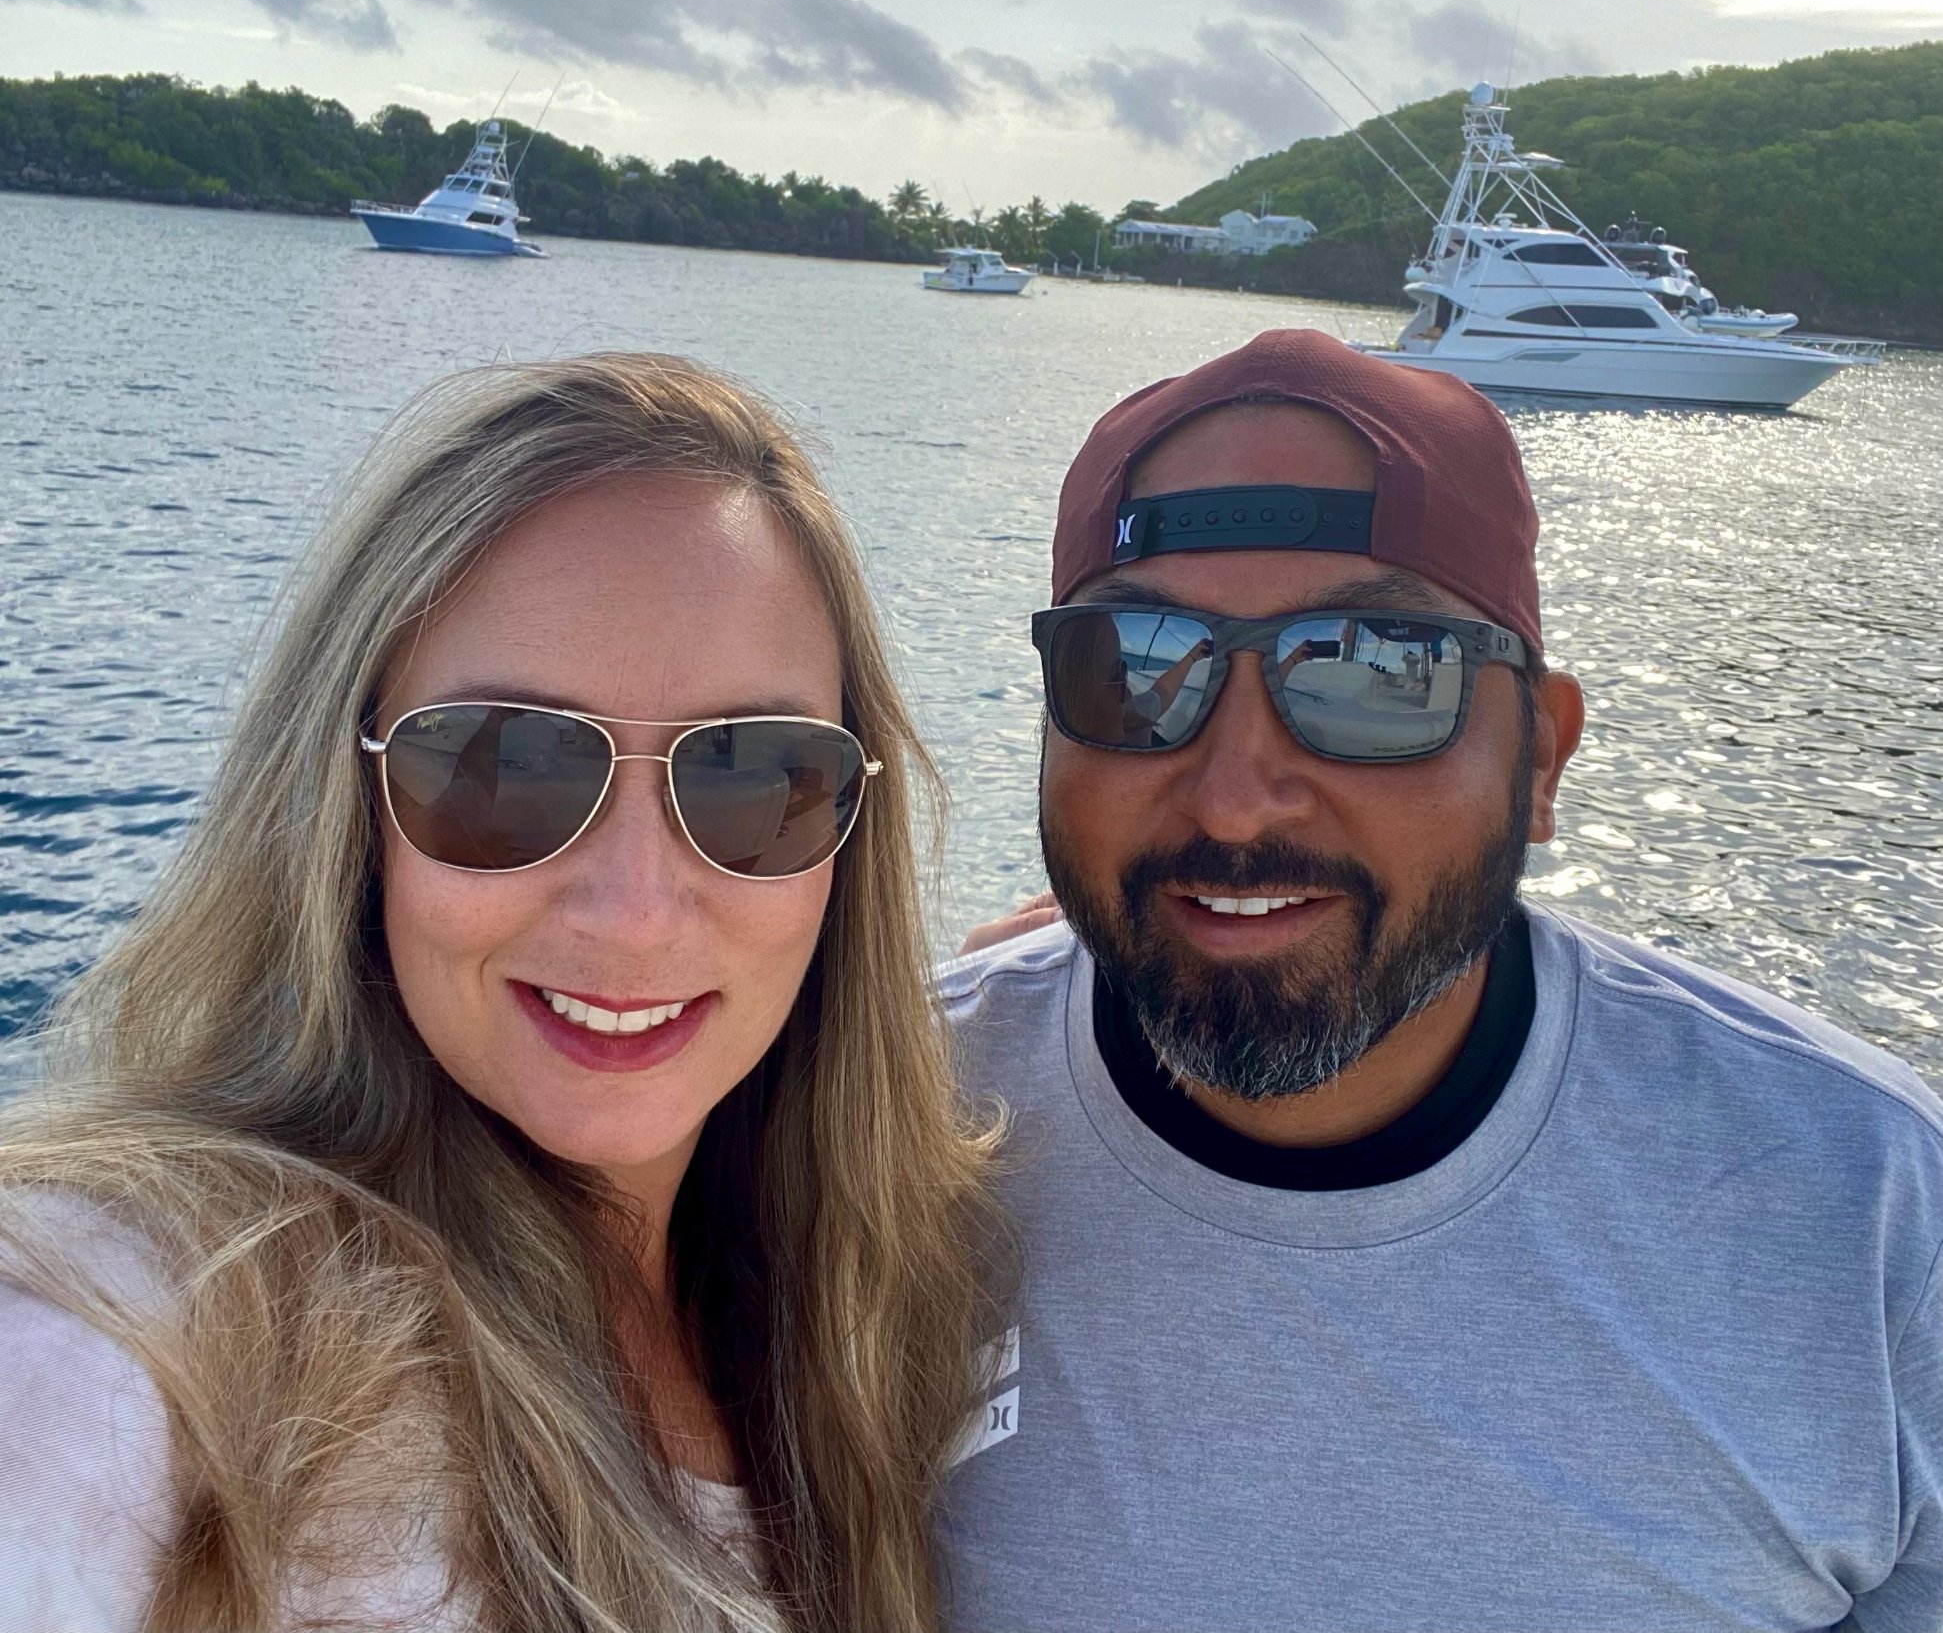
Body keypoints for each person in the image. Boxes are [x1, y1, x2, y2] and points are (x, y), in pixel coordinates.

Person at [939, 327, 1943, 1632]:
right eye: (1129, 670)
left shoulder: (1868, 1216)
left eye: (1373, 671)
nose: (1234, 799)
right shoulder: (875, 1121)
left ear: (1538, 759)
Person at [0, 353, 1006, 1632]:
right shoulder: (176, 1324)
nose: (634, 907)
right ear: (343, 808)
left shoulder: (862, 1300)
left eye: (754, 776)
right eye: (497, 764)